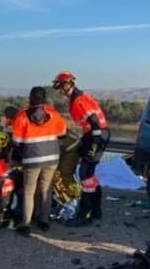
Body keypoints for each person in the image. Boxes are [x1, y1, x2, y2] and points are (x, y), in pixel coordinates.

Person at [51, 71, 110, 226]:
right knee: (89, 174)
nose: (59, 91)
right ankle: (96, 211)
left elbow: (95, 122)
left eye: (59, 87)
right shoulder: (79, 97)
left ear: (66, 85)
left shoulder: (78, 101)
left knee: (85, 175)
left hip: (97, 136)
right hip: (94, 135)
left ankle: (85, 214)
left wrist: (94, 143)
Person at [11, 86, 67, 237]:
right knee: (46, 189)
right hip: (52, 158)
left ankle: (26, 224)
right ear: (45, 98)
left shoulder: (22, 115)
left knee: (29, 191)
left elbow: (16, 140)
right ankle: (44, 221)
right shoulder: (53, 113)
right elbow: (63, 133)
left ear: (30, 98)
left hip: (32, 158)